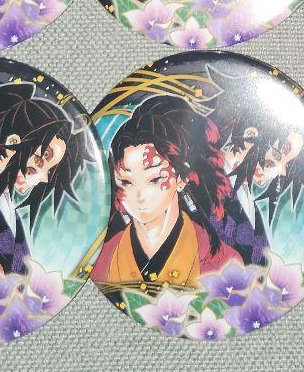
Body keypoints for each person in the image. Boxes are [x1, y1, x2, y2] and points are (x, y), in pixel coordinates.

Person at [92, 96, 238, 293]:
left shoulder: (225, 264)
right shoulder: (102, 258)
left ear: (182, 177)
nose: (139, 195)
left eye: (154, 179)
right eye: (126, 182)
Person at [206, 64, 304, 265]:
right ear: (250, 135)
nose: (282, 171)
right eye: (280, 154)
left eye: (288, 164)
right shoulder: (203, 182)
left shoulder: (247, 198)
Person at [0, 77, 92, 273]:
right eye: (44, 157)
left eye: (50, 170)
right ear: (12, 142)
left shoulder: (7, 205)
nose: (44, 178)